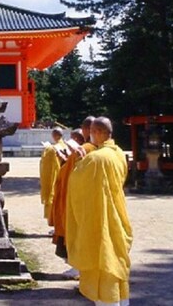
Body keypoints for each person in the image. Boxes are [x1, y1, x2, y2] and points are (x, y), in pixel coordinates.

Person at [66, 117, 132, 306]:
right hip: (116, 216)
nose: (89, 136)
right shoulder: (118, 153)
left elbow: (76, 185)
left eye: (91, 132)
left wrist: (78, 161)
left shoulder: (95, 158)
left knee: (104, 262)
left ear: (98, 132)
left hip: (100, 218)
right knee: (116, 260)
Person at [51, 116, 97, 273]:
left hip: (75, 196)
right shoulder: (93, 149)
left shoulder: (87, 149)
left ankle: (78, 266)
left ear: (86, 130)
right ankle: (77, 265)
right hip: (80, 195)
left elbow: (77, 172)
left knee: (77, 231)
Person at [40, 127, 67, 227]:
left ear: (54, 135)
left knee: (52, 199)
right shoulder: (65, 146)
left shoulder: (51, 149)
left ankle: (54, 223)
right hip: (63, 177)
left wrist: (46, 150)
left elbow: (46, 164)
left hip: (54, 177)